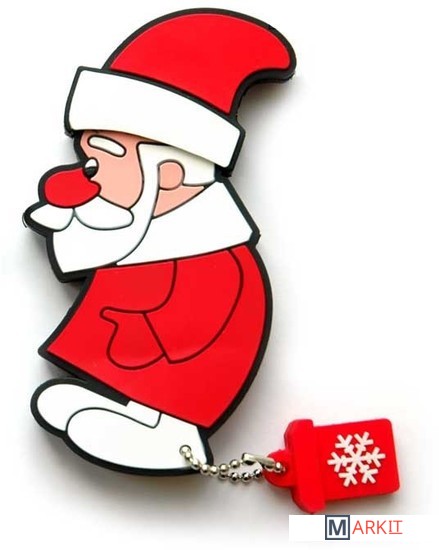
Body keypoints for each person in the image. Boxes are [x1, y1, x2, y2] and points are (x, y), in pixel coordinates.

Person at [24, 9, 295, 474]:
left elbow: (208, 319)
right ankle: (125, 408)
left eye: (102, 161)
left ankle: (172, 434)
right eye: (88, 159)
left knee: (172, 387)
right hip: (131, 358)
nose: (88, 178)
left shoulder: (214, 257)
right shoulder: (142, 241)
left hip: (183, 365)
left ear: (167, 174)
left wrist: (148, 333)